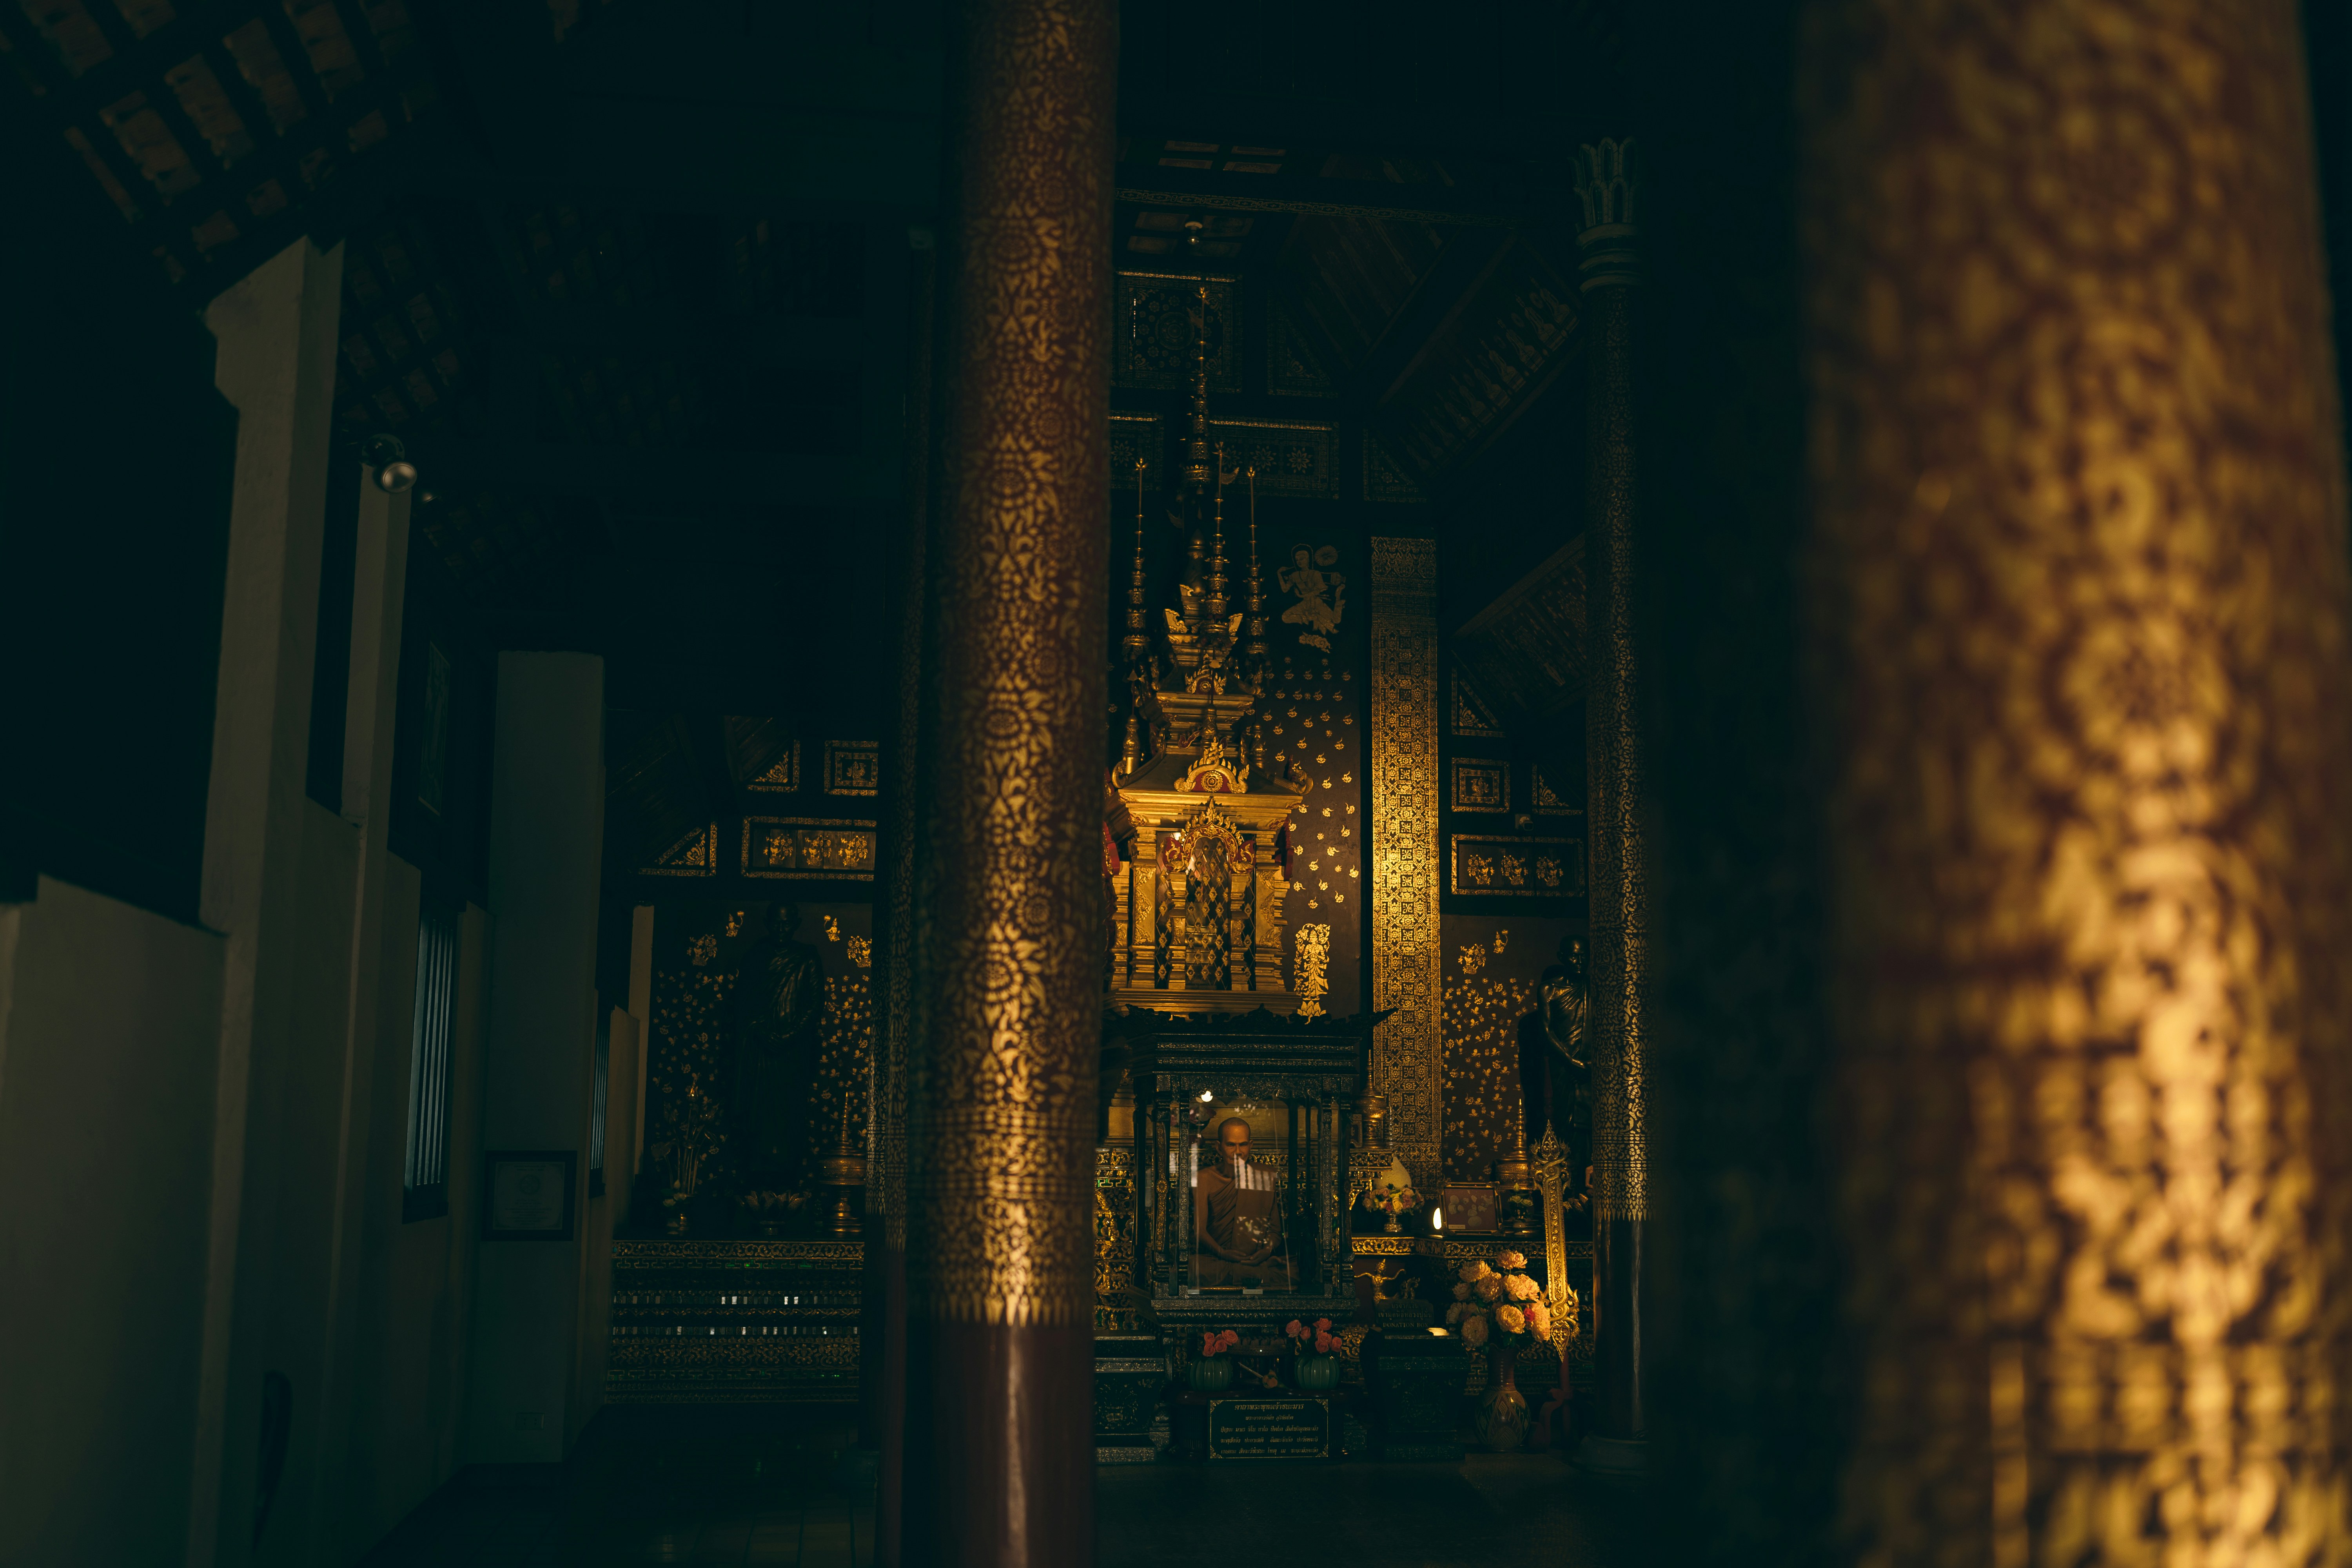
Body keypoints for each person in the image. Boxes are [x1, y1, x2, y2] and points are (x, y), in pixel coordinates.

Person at [729, 904, 826, 1192]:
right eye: (777, 925)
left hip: (792, 1055)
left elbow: (813, 1007)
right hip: (759, 1052)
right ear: (768, 923)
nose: (782, 931)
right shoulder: (756, 958)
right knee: (758, 1116)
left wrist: (788, 1037)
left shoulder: (806, 958)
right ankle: (757, 1176)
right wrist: (760, 1031)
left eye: (787, 925)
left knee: (787, 1116)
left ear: (795, 924)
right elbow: (742, 1006)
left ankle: (785, 1177)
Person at [1193, 1116, 1292, 1287]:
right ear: (1219, 1147)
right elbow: (1199, 1232)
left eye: (1243, 1144)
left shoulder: (1264, 1176)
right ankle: (1256, 1273)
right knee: (1191, 1269)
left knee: (1299, 1270)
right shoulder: (1204, 1179)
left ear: (1251, 1145)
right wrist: (1223, 1254)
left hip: (1254, 1260)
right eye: (1231, 1145)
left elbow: (1276, 1231)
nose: (1238, 1151)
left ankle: (1252, 1270)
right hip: (1217, 1260)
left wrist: (1266, 1251)